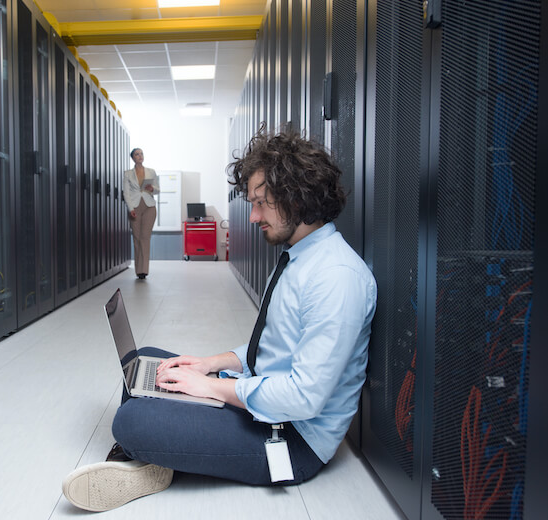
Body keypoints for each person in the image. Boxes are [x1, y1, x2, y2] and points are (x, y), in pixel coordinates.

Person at [62, 128, 377, 512]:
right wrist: (212, 364)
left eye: (261, 202)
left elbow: (303, 397)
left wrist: (212, 389)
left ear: (297, 195)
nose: (253, 215)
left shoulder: (337, 277)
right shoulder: (302, 256)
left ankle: (144, 451)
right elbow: (273, 347)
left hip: (290, 438)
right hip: (262, 399)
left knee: (131, 421)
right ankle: (153, 453)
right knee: (147, 360)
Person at [123, 148, 160, 279]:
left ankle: (144, 270)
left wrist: (152, 188)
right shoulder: (127, 174)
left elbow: (157, 190)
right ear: (132, 158)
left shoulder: (151, 172)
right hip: (135, 207)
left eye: (141, 154)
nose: (140, 156)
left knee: (145, 237)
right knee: (137, 238)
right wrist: (130, 209)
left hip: (149, 206)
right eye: (137, 154)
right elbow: (126, 193)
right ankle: (139, 270)